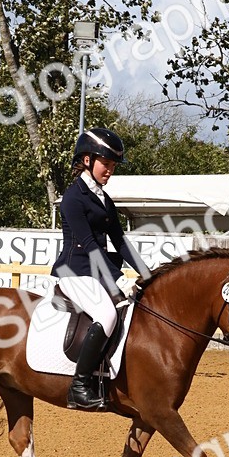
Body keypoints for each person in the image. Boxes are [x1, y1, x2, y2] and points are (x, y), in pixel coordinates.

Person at [51, 128, 152, 410]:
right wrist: (119, 278)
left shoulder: (104, 200)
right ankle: (79, 385)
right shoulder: (73, 198)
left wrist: (147, 273)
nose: (110, 171)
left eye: (113, 167)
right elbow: (88, 244)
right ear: (86, 160)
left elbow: (119, 241)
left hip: (97, 271)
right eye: (106, 164)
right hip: (75, 271)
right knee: (107, 315)